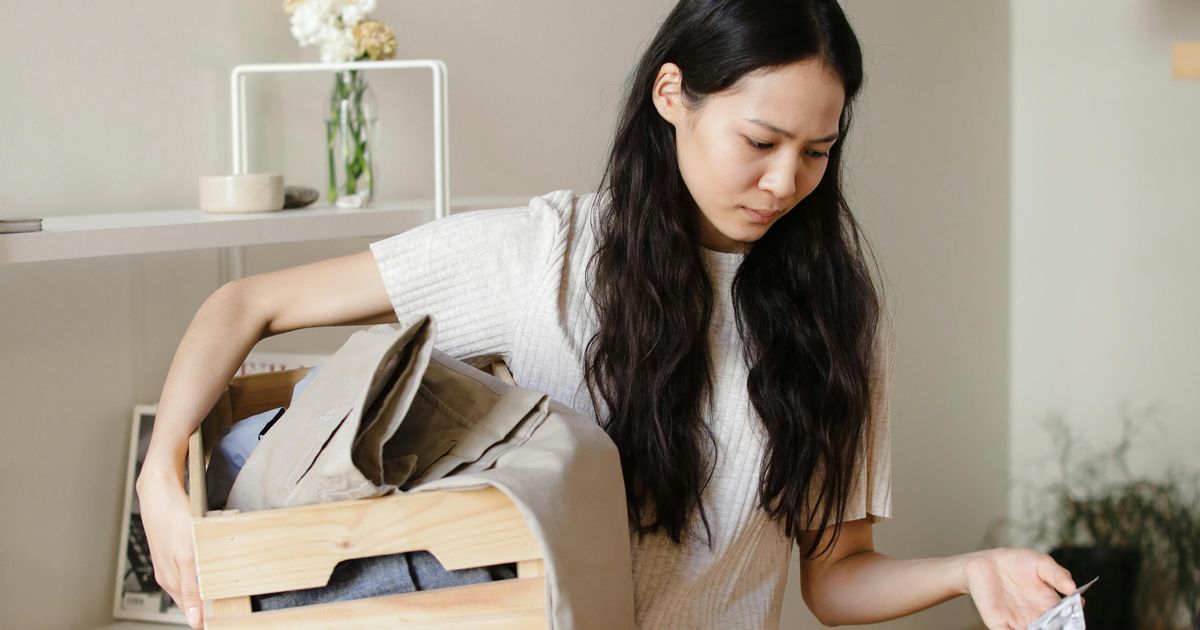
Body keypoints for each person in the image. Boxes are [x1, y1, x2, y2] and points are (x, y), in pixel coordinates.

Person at [137, 1, 1077, 628]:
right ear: (673, 96)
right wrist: (159, 474)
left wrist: (968, 571)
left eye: (817, 151)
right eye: (760, 140)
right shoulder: (542, 254)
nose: (785, 180)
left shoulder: (839, 319)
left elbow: (833, 578)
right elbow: (247, 303)